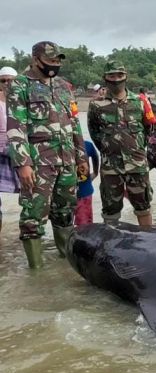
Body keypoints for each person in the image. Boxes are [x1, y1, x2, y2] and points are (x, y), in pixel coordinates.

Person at [6, 42, 89, 267]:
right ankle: (36, 270)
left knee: (65, 212)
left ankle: (65, 263)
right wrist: (23, 163)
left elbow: (74, 123)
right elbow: (16, 127)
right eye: (50, 60)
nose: (55, 65)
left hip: (67, 160)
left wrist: (81, 156)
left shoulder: (64, 86)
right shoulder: (20, 86)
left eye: (57, 61)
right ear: (35, 59)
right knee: (33, 216)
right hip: (39, 162)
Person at [88, 60, 156, 226]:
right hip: (111, 167)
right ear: (105, 77)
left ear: (126, 77)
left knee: (143, 207)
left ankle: (146, 244)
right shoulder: (96, 105)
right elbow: (95, 134)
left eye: (120, 75)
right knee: (110, 211)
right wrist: (109, 149)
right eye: (112, 75)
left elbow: (148, 131)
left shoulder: (140, 102)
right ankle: (112, 247)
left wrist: (135, 148)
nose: (116, 79)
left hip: (137, 164)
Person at [0, 66, 21, 234]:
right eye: (3, 80)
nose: (7, 83)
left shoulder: (24, 101)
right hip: (1, 153)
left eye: (10, 80)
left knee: (31, 194)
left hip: (21, 153)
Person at [75, 140, 99, 226]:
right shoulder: (86, 145)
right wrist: (96, 172)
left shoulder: (86, 145)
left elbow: (95, 156)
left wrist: (96, 172)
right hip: (66, 192)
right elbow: (95, 156)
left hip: (84, 192)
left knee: (84, 224)